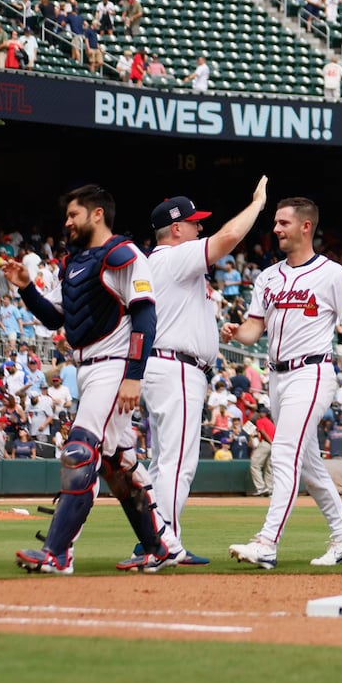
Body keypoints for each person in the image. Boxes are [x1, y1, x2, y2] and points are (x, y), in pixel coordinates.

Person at [6, 185, 174, 574]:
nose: (67, 222)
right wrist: (28, 289)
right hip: (89, 367)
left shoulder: (123, 254)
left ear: (97, 214)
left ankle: (57, 552)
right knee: (116, 463)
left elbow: (145, 316)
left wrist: (134, 376)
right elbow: (56, 319)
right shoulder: (74, 262)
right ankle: (156, 547)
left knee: (80, 450)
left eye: (73, 215)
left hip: (114, 365)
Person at [117, 179, 269, 571]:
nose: (200, 228)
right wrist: (257, 203)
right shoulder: (172, 257)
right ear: (177, 228)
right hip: (175, 369)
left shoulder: (162, 264)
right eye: (195, 222)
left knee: (166, 460)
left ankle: (160, 540)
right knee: (176, 463)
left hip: (169, 366)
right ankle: (159, 542)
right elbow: (230, 235)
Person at [222, 197, 342, 569]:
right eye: (275, 222)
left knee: (285, 452)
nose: (276, 228)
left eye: (283, 223)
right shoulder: (268, 276)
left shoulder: (333, 274)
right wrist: (237, 332)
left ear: (306, 227)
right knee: (308, 466)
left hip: (313, 372)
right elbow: (255, 328)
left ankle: (267, 542)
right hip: (277, 376)